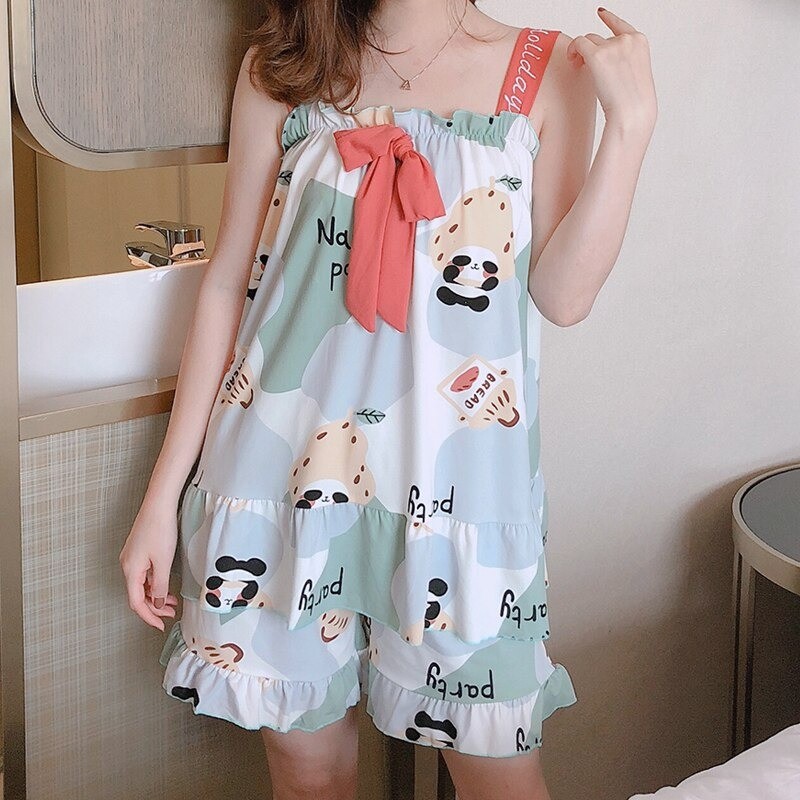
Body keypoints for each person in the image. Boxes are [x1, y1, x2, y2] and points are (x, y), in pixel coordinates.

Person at [119, 2, 656, 798]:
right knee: (309, 779)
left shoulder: (550, 69)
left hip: (459, 497)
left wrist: (631, 127)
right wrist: (161, 499)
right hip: (279, 481)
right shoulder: (285, 63)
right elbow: (229, 284)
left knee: (500, 780)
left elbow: (563, 296)